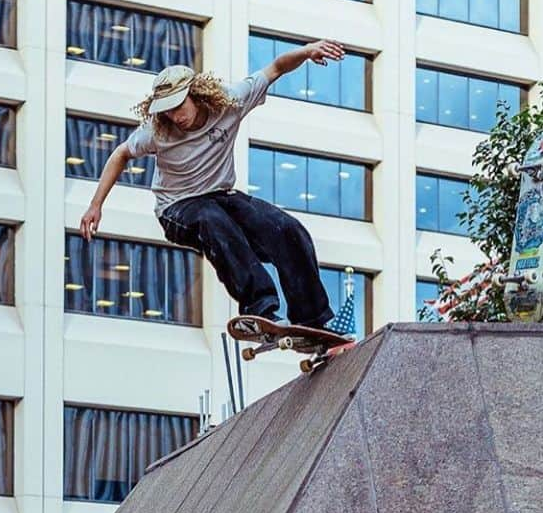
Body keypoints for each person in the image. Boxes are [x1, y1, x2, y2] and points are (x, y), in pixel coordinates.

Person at [79, 42, 348, 332]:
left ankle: (312, 321)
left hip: (222, 197)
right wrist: (96, 205)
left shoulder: (230, 103)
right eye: (167, 111)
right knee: (212, 219)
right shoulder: (156, 132)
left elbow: (275, 68)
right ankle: (259, 310)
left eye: (178, 107)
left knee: (286, 228)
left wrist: (307, 51)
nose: (175, 117)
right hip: (177, 208)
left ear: (194, 94)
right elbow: (120, 154)